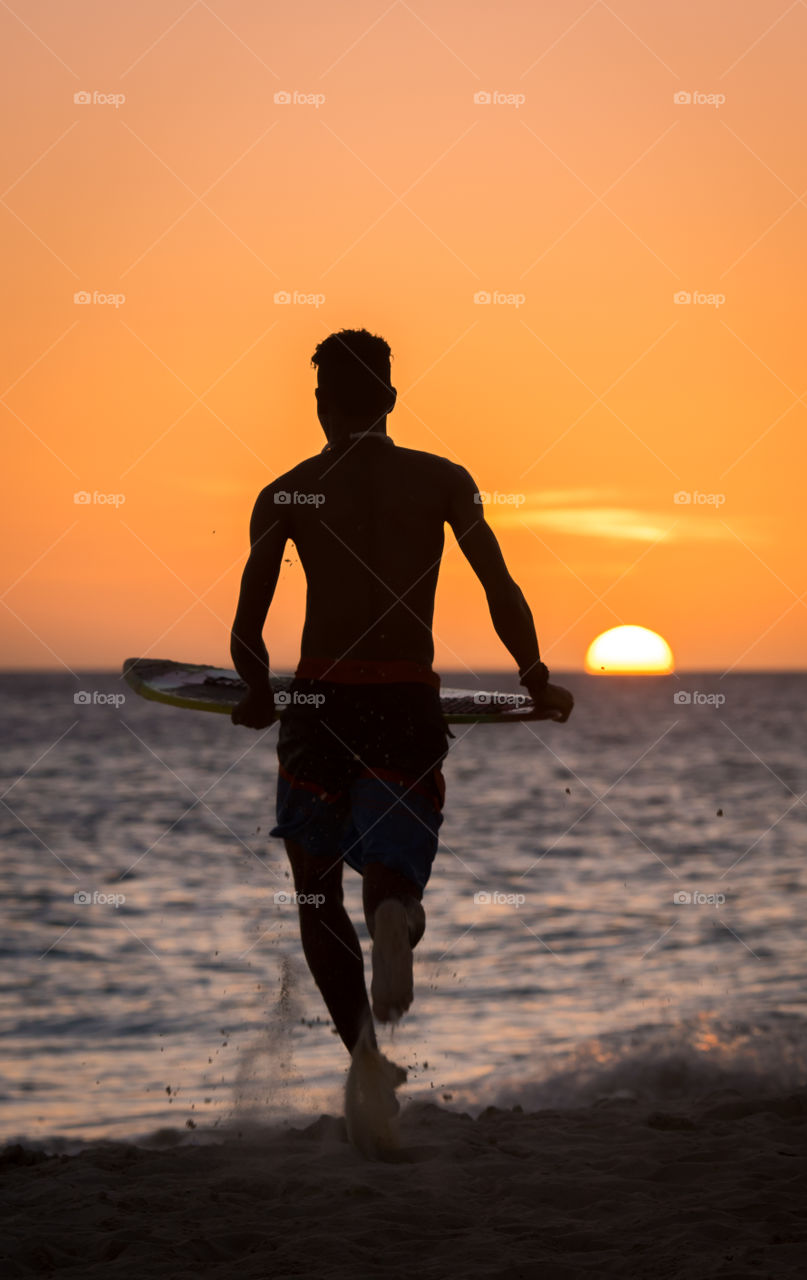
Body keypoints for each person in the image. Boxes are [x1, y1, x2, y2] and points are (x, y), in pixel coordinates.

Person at [230, 328, 573, 1067]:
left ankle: (364, 1059)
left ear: (320, 403)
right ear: (390, 398)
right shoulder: (444, 480)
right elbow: (499, 588)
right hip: (405, 701)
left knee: (315, 892)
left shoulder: (285, 493)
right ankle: (393, 914)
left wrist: (258, 692)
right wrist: (534, 674)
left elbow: (245, 631)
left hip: (319, 703)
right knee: (392, 868)